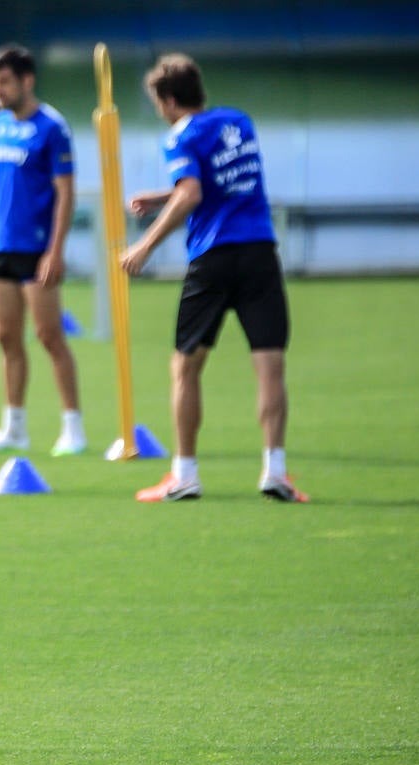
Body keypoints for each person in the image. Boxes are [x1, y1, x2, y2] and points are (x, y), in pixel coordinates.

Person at [120, 54, 308, 504]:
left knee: (185, 366)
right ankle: (275, 471)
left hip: (214, 259)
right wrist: (163, 195)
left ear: (167, 100)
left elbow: (193, 191)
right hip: (260, 252)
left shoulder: (178, 136)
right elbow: (222, 182)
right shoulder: (239, 122)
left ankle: (184, 474)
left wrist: (145, 244)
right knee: (270, 366)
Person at [0, 43, 86, 457]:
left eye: (4, 81)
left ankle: (73, 426)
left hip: (37, 249)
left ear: (26, 80)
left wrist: (56, 249)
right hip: (1, 245)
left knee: (49, 335)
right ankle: (14, 426)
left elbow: (66, 192)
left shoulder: (52, 127)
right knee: (5, 337)